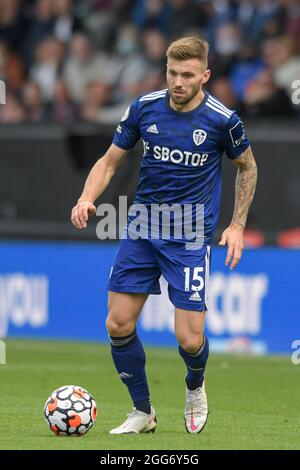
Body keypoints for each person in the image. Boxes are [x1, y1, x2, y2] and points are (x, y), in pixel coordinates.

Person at [71, 36, 257, 435]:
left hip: (189, 236)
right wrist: (87, 197)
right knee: (118, 323)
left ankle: (194, 385)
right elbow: (108, 161)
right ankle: (143, 412)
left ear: (204, 76)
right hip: (141, 227)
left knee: (189, 339)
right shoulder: (144, 107)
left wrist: (237, 224)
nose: (178, 81)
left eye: (187, 75)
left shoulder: (222, 120)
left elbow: (248, 167)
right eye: (172, 72)